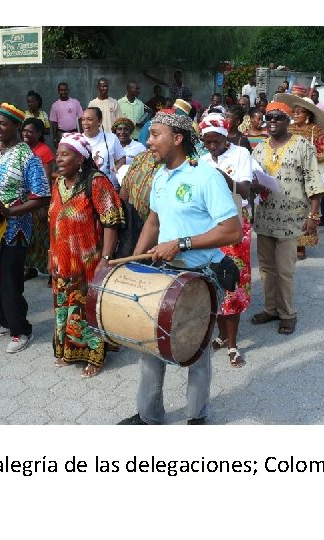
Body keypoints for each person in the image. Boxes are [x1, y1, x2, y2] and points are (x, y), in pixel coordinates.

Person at [118, 108, 240, 425]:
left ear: (177, 138)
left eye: (155, 135)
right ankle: (149, 417)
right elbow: (154, 222)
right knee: (150, 346)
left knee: (195, 352)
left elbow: (231, 230)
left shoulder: (206, 177)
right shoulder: (160, 176)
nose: (148, 142)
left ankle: (196, 418)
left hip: (200, 277)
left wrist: (182, 243)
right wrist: (133, 259)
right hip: (162, 275)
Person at [0, 103, 51, 353]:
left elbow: (42, 196)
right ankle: (5, 320)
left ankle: (21, 330)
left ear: (16, 126)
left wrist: (10, 212)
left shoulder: (28, 157)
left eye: (4, 124)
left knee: (9, 281)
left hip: (16, 228)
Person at [49, 133, 125, 378]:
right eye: (58, 153)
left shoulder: (96, 182)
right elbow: (54, 221)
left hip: (88, 261)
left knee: (86, 308)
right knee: (65, 305)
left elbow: (111, 221)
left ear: (80, 159)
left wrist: (105, 259)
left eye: (65, 154)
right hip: (62, 260)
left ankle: (94, 355)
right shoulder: (58, 184)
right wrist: (51, 254)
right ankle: (67, 349)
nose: (59, 159)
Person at [250, 102, 324, 335]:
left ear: (288, 120)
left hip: (291, 219)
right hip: (264, 217)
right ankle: (271, 309)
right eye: (268, 117)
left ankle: (288, 313)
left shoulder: (303, 146)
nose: (271, 122)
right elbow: (252, 178)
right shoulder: (259, 148)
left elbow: (314, 180)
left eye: (278, 118)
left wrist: (313, 214)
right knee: (266, 269)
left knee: (284, 270)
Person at [198, 113, 253, 368]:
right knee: (214, 281)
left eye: (215, 141)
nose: (212, 147)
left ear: (224, 136)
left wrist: (224, 179)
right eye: (207, 142)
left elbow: (246, 190)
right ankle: (220, 335)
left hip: (235, 228)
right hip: (211, 227)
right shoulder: (201, 160)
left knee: (233, 285)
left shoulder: (241, 155)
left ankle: (232, 344)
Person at [275, 93, 324, 260]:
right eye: (294, 111)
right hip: (289, 176)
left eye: (300, 112)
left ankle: (301, 244)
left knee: (306, 211)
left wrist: (311, 156)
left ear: (308, 114)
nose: (296, 114)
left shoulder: (317, 130)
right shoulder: (288, 129)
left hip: (310, 177)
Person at [21, 118, 54, 283]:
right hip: (24, 199)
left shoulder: (44, 150)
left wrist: (43, 201)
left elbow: (47, 178)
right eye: (24, 130)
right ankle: (30, 268)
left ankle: (51, 272)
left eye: (30, 131)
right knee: (29, 235)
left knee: (45, 237)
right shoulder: (21, 149)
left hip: (39, 199)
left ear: (39, 133)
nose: (26, 133)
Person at [81, 107, 126, 189]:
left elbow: (122, 157)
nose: (85, 123)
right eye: (83, 119)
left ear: (99, 121)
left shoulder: (111, 138)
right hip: (86, 189)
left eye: (89, 119)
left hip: (109, 187)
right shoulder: (78, 140)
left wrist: (117, 168)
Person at [119, 149, 158, 224]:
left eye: (156, 136)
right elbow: (125, 189)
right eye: (151, 136)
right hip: (133, 226)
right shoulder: (141, 157)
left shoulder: (181, 167)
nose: (149, 141)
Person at [49, 82, 83, 147]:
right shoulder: (55, 105)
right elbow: (54, 123)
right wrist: (54, 139)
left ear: (68, 90)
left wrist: (82, 134)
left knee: (74, 152)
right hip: (61, 134)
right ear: (58, 91)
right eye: (61, 90)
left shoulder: (75, 102)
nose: (63, 92)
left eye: (65, 90)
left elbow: (80, 119)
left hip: (74, 133)